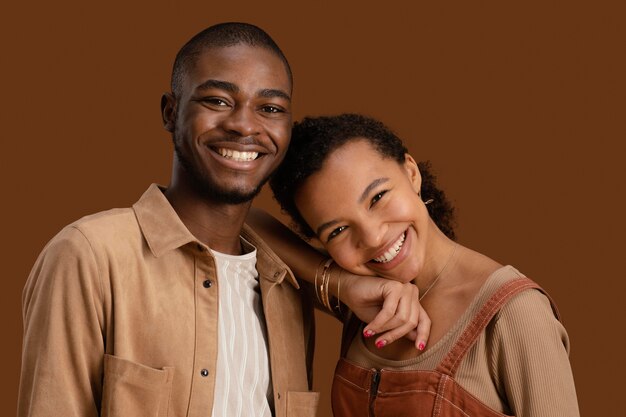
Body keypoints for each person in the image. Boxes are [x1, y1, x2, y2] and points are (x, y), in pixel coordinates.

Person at [17, 25, 428, 417]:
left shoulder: (286, 284)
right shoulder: (90, 255)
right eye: (217, 100)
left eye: (269, 108)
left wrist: (349, 284)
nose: (244, 125)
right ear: (170, 111)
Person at [249, 113, 580, 416]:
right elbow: (235, 219)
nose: (374, 236)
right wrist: (344, 284)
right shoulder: (362, 302)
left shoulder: (514, 312)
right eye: (337, 230)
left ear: (411, 172)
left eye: (377, 197)